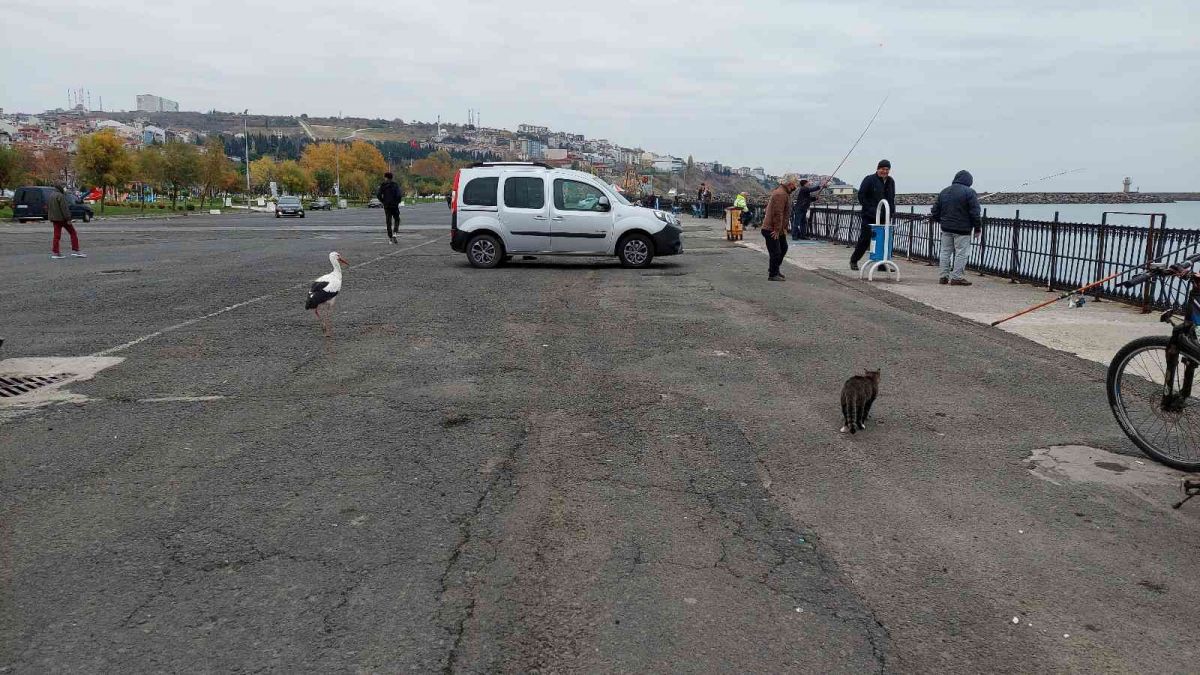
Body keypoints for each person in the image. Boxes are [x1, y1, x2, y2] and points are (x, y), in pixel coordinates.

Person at [929, 170, 982, 286]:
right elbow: (975, 213)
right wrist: (977, 228)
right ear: (969, 181)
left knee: (945, 252)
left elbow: (935, 211)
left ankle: (943, 277)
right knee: (961, 253)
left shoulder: (944, 191)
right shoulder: (970, 192)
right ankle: (956, 277)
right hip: (963, 230)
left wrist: (942, 221)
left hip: (946, 228)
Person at [850, 160, 896, 271]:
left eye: (887, 169)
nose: (885, 171)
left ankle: (881, 264)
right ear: (878, 169)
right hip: (869, 215)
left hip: (885, 215)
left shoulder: (890, 181)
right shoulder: (869, 179)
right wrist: (871, 209)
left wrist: (891, 210)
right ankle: (854, 260)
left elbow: (891, 197)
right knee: (865, 239)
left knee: (884, 240)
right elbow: (861, 196)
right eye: (883, 169)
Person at [761, 177, 798, 281]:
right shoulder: (780, 194)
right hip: (771, 229)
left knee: (783, 248)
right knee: (776, 252)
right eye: (795, 183)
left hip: (778, 228)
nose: (796, 186)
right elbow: (778, 213)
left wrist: (782, 229)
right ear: (790, 184)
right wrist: (777, 230)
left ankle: (774, 269)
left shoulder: (784, 193)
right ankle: (773, 274)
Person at [48, 186, 85, 260]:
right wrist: (68, 218)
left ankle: (56, 252)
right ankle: (76, 250)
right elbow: (64, 208)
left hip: (55, 219)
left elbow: (49, 207)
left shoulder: (51, 196)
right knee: (73, 233)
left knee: (56, 236)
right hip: (63, 219)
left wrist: (51, 218)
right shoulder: (60, 196)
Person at [376, 172, 404, 244]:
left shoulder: (383, 185)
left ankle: (390, 237)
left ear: (386, 177)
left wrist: (383, 201)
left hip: (387, 206)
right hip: (394, 205)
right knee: (397, 219)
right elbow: (399, 195)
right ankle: (395, 233)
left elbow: (378, 195)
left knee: (388, 221)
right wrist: (397, 202)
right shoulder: (395, 185)